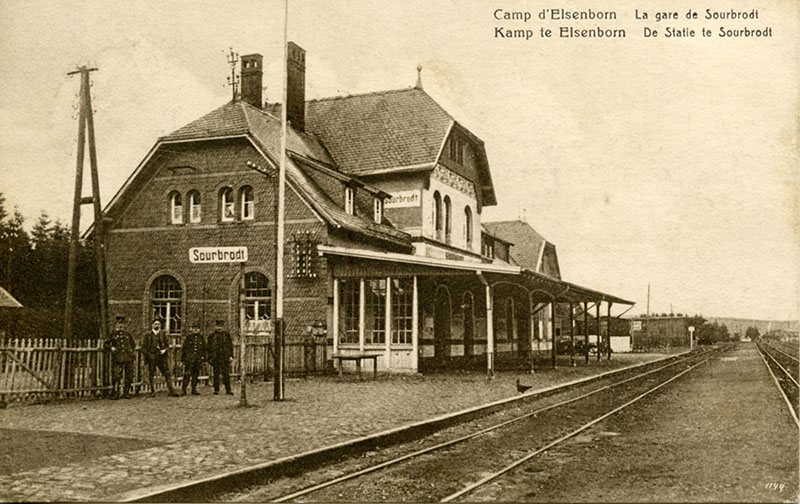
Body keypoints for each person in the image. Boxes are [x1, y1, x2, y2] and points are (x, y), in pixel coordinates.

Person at [142, 318, 179, 397]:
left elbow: (168, 345)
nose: (157, 325)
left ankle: (171, 390)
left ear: (160, 325)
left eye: (158, 324)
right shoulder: (147, 335)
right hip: (152, 357)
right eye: (155, 324)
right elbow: (143, 348)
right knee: (151, 373)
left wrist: (164, 350)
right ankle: (152, 391)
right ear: (152, 325)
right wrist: (149, 355)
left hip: (161, 357)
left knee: (167, 372)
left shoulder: (163, 334)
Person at [106, 315, 136, 399]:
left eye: (122, 324)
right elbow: (106, 344)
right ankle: (116, 393)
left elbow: (133, 344)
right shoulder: (112, 335)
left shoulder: (128, 335)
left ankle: (126, 393)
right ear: (116, 325)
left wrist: (130, 351)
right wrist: (111, 347)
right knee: (117, 376)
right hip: (118, 358)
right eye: (119, 324)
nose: (121, 326)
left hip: (128, 358)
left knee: (129, 376)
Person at [207, 319, 234, 395]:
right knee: (216, 374)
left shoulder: (226, 335)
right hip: (216, 358)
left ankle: (228, 390)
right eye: (218, 326)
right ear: (215, 326)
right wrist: (209, 358)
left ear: (223, 327)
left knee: (226, 374)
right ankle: (216, 390)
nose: (219, 328)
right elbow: (208, 348)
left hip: (225, 357)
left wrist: (231, 356)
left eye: (221, 326)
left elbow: (230, 346)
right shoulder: (212, 336)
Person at [181, 321, 206, 395]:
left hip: (197, 359)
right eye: (194, 328)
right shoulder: (188, 338)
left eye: (197, 328)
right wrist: (183, 359)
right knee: (187, 374)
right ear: (191, 329)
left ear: (199, 329)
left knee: (195, 375)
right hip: (189, 360)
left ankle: (194, 389)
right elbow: (184, 349)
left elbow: (204, 349)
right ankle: (184, 389)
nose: (195, 330)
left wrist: (203, 359)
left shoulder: (201, 338)